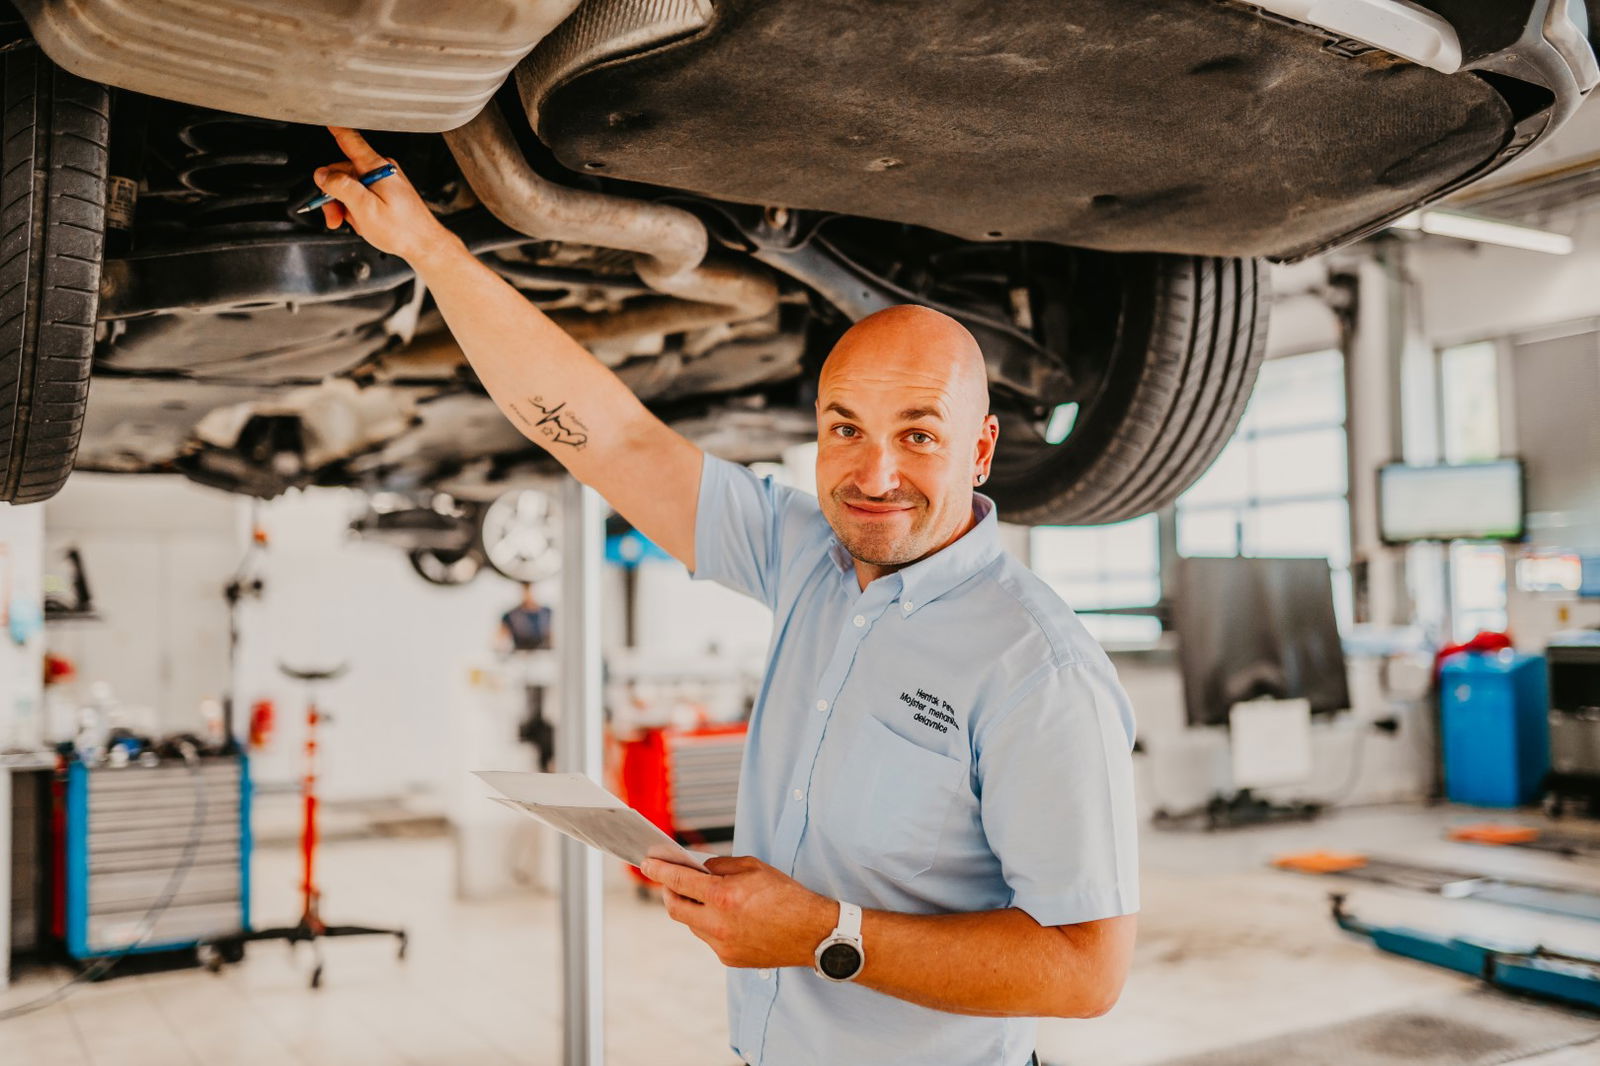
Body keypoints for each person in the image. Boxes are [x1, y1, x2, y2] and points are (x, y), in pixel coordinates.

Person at [312, 127, 1138, 1066]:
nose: (874, 474)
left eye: (919, 435)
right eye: (845, 429)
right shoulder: (806, 557)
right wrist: (429, 248)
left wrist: (827, 933)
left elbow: (1086, 971)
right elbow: (609, 440)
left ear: (982, 448)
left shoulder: (1037, 666)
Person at [499, 582, 556, 771]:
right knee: (527, 708)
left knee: (545, 709)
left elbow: (554, 638)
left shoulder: (547, 613)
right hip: (522, 671)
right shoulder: (511, 615)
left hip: (545, 670)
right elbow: (499, 641)